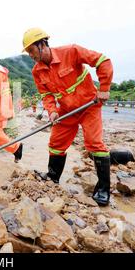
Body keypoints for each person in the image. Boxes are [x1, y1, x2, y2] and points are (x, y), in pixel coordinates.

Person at [22, 27, 113, 206]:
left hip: (89, 106)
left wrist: (104, 87)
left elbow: (103, 60)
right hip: (66, 111)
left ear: (42, 44)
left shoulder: (71, 51)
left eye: (32, 50)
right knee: (56, 144)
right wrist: (52, 111)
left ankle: (103, 189)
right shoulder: (36, 71)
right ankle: (53, 177)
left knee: (94, 143)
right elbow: (46, 95)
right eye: (28, 52)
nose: (31, 55)